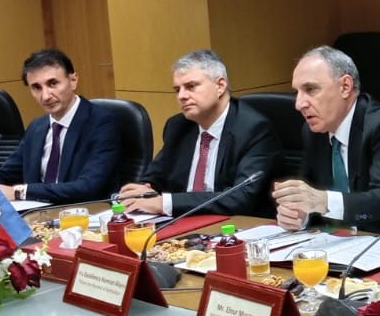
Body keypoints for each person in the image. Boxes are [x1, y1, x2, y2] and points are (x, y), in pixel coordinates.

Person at [273, 46, 380, 234]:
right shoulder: (313, 132)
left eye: (311, 89)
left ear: (345, 86)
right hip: (342, 241)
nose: (299, 104)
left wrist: (323, 201)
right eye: (297, 92)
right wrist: (300, 214)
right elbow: (312, 192)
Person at [0, 49, 121, 205]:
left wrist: (19, 192)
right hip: (37, 217)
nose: (45, 96)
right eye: (36, 87)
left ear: (73, 80)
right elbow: (6, 174)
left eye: (53, 84)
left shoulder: (102, 123)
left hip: (84, 216)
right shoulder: (37, 127)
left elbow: (87, 187)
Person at [118, 50, 277, 216]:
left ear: (220, 86)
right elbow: (155, 176)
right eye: (177, 90)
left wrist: (166, 203)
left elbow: (241, 197)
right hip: (181, 221)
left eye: (191, 86)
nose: (181, 96)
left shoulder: (254, 129)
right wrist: (144, 189)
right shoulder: (178, 126)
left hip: (232, 223)